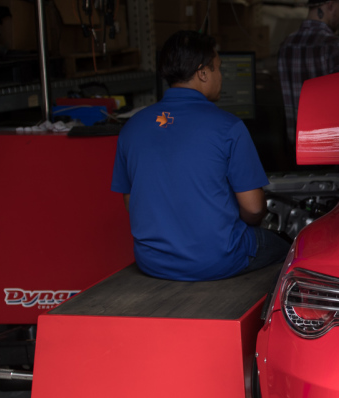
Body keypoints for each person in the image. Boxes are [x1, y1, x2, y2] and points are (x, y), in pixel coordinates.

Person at [112, 31, 288, 281]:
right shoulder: (228, 127)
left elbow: (132, 204)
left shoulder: (132, 127)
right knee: (291, 249)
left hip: (152, 262)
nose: (221, 77)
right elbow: (254, 208)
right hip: (216, 260)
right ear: (202, 73)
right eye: (218, 69)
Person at [278, 0, 339, 144]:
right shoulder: (335, 46)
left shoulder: (286, 46)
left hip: (296, 149)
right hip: (330, 149)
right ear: (330, 6)